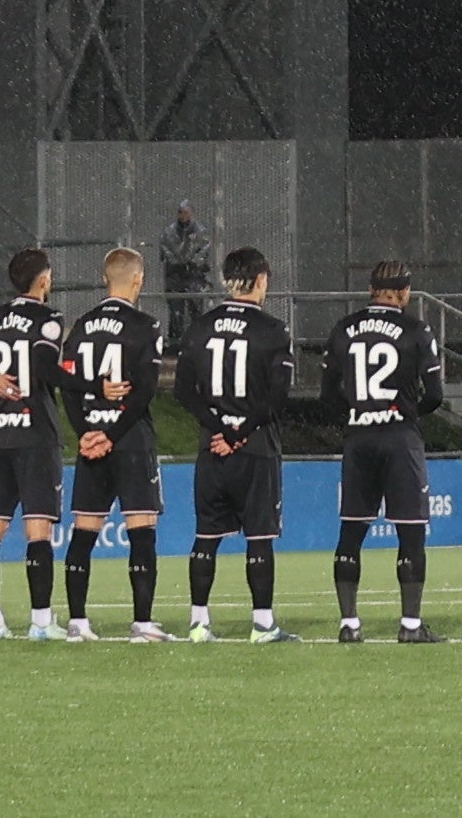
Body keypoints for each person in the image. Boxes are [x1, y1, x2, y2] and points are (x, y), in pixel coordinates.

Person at [178, 246, 299, 640]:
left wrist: (218, 428)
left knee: (206, 537)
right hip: (255, 448)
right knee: (259, 536)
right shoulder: (273, 331)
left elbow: (183, 391)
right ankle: (262, 624)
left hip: (211, 449)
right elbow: (276, 398)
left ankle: (198, 622)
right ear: (261, 280)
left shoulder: (200, 326)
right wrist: (239, 432)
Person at [324, 260, 448, 641]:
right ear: (405, 292)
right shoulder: (415, 330)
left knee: (351, 531)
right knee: (410, 532)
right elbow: (435, 396)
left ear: (371, 289)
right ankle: (410, 625)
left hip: (359, 440)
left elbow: (328, 396)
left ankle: (349, 624)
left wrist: (356, 415)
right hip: (399, 440)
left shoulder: (344, 329)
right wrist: (406, 412)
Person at [63, 247, 172, 642]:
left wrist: (86, 433)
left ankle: (78, 621)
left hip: (92, 441)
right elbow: (143, 394)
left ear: (105, 278)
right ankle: (142, 623)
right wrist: (111, 434)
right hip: (129, 441)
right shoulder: (146, 326)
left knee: (85, 531)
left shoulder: (82, 325)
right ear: (139, 279)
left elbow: (69, 387)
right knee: (142, 529)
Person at [0, 248, 71, 640]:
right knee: (38, 531)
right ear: (43, 280)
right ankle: (41, 623)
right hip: (36, 433)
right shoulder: (49, 319)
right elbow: (45, 368)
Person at [160, 205, 215, 343]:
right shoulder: (169, 232)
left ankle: (197, 340)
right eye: (181, 212)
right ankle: (175, 341)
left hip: (194, 275)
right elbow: (166, 251)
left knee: (196, 308)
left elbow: (204, 251)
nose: (184, 215)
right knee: (176, 311)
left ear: (192, 213)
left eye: (187, 212)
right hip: (175, 275)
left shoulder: (200, 232)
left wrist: (193, 262)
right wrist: (179, 262)